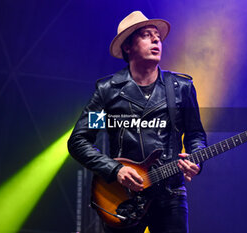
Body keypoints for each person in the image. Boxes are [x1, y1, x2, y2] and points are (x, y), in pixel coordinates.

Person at [68, 11, 206, 233]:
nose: (155, 40)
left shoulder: (181, 89)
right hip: (124, 197)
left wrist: (196, 158)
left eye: (157, 36)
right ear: (127, 47)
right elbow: (80, 141)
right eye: (146, 35)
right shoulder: (108, 92)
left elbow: (195, 134)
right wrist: (115, 170)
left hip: (170, 194)